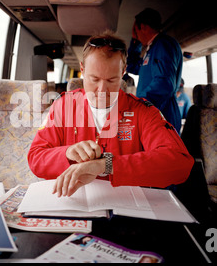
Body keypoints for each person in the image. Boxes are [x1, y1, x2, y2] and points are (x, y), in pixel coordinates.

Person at [27, 31, 194, 197]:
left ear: (123, 73)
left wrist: (107, 165)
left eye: (111, 80)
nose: (102, 90)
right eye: (94, 79)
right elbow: (36, 158)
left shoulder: (143, 112)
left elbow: (179, 163)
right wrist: (67, 153)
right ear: (82, 70)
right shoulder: (63, 106)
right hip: (73, 202)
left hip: (126, 208)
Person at [126, 8, 183, 133]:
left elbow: (164, 84)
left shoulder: (163, 44)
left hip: (163, 114)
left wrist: (138, 104)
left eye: (136, 30)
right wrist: (135, 42)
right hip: (153, 112)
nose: (135, 34)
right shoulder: (152, 48)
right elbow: (132, 66)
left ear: (144, 27)